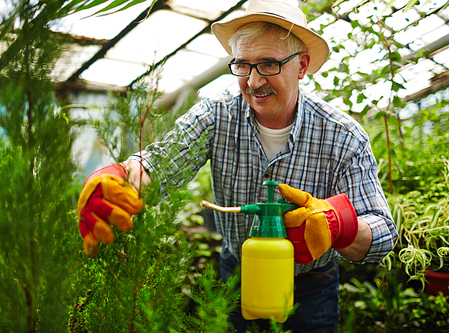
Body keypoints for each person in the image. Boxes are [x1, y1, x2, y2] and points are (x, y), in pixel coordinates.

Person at [76, 0, 398, 331]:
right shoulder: (216, 116)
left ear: (301, 66)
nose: (254, 82)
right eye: (243, 65)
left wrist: (336, 225)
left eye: (269, 64)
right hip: (238, 274)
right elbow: (161, 164)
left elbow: (383, 231)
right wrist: (119, 178)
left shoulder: (342, 135)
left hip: (309, 285)